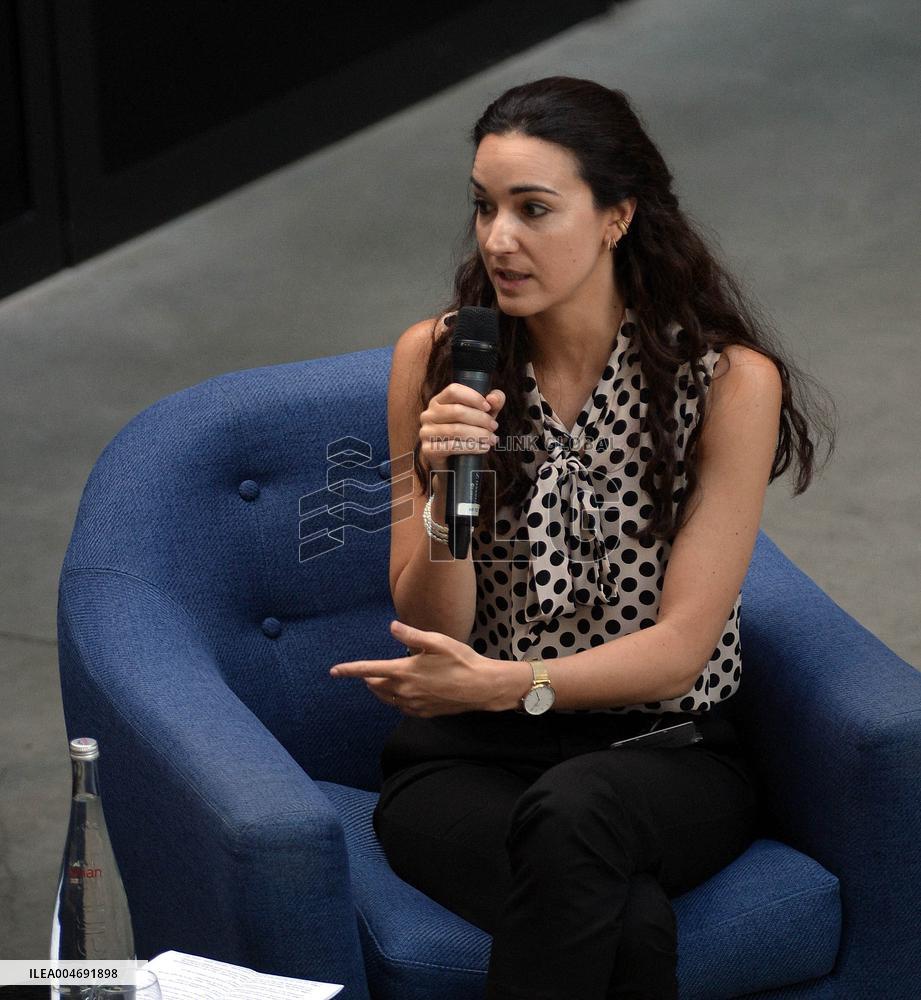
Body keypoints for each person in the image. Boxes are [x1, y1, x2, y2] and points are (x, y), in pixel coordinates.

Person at [330, 76, 836, 1000]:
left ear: (615, 217)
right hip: (465, 765)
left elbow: (682, 651)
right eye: (484, 207)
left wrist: (505, 683)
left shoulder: (724, 383)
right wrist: (447, 491)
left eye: (533, 209)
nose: (496, 240)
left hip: (665, 755)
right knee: (626, 924)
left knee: (580, 810)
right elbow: (427, 613)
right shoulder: (435, 359)